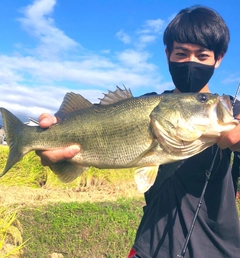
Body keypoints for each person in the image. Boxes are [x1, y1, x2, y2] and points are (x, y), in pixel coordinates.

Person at [36, 6, 240, 258]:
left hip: (217, 248)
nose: (191, 62)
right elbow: (95, 117)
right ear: (167, 55)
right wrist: (53, 129)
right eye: (181, 53)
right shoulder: (144, 104)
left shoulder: (231, 110)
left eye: (202, 56)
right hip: (149, 245)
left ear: (218, 58)